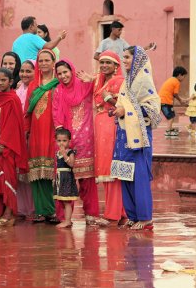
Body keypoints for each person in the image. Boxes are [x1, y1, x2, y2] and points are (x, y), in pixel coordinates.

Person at [112, 46, 161, 231]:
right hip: (125, 133)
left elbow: (153, 110)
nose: (124, 61)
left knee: (139, 177)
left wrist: (127, 110)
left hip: (140, 137)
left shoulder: (144, 81)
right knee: (125, 175)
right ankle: (132, 216)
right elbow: (122, 103)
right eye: (123, 57)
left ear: (137, 59)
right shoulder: (127, 82)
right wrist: (118, 110)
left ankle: (145, 218)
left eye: (127, 57)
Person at [52, 59, 104, 225]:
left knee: (87, 179)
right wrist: (62, 140)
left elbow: (104, 85)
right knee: (65, 179)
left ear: (71, 70)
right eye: (59, 73)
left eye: (65, 72)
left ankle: (91, 215)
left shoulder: (84, 85)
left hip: (86, 139)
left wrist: (93, 79)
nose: (63, 76)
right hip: (67, 140)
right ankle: (64, 217)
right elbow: (56, 114)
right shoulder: (58, 91)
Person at [78, 51, 125, 225]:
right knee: (105, 168)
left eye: (108, 62)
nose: (104, 65)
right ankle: (118, 211)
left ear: (116, 66)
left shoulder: (119, 82)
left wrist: (109, 98)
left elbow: (122, 104)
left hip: (110, 124)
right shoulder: (101, 79)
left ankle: (113, 214)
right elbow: (93, 79)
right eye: (102, 62)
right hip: (100, 125)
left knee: (111, 168)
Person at [0, 68, 28, 226]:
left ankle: (10, 214)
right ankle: (1, 212)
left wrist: (3, 143)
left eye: (4, 80)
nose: (0, 83)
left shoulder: (12, 99)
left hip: (7, 147)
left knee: (8, 178)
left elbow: (13, 124)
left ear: (11, 82)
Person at [24, 49, 59, 223]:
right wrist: (26, 132)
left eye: (47, 60)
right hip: (36, 133)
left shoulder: (58, 84)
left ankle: (52, 211)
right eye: (41, 60)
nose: (44, 63)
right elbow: (27, 113)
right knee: (36, 173)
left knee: (51, 172)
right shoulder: (33, 85)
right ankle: (40, 210)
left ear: (54, 62)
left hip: (52, 132)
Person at [14, 60, 36, 220]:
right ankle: (21, 208)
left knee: (31, 172)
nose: (24, 74)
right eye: (22, 71)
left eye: (29, 71)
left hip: (32, 134)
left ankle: (34, 208)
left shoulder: (37, 89)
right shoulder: (18, 89)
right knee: (20, 173)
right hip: (18, 135)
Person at [53, 128, 79, 229]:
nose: (61, 143)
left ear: (69, 141)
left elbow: (71, 164)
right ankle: (66, 220)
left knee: (67, 201)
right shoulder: (57, 152)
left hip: (67, 178)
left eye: (64, 140)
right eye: (59, 141)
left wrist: (64, 154)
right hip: (60, 178)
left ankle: (68, 221)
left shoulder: (69, 152)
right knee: (63, 201)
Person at [158, 66, 189, 136]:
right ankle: (168, 131)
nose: (184, 78)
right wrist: (181, 100)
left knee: (172, 115)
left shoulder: (171, 79)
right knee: (171, 117)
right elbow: (175, 94)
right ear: (179, 75)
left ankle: (170, 129)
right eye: (184, 76)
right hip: (165, 102)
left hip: (163, 101)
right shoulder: (176, 82)